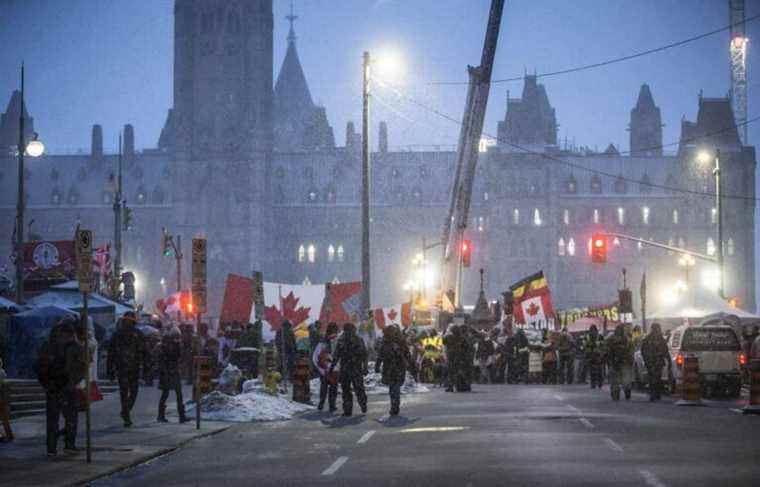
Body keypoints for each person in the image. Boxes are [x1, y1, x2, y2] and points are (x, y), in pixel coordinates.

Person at [38, 320, 85, 456]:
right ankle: (69, 445)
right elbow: (81, 368)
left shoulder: (47, 346)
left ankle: (51, 448)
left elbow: (39, 366)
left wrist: (46, 384)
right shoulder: (75, 347)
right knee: (71, 417)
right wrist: (73, 381)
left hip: (52, 387)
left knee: (52, 419)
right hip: (67, 388)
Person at [108, 311, 146, 427]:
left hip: (134, 367)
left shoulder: (138, 334)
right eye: (127, 320)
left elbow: (144, 352)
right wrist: (110, 370)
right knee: (124, 393)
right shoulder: (117, 335)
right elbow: (111, 353)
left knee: (134, 392)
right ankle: (126, 416)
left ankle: (125, 411)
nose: (129, 322)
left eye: (131, 320)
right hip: (122, 367)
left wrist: (146, 367)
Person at [375, 325, 416, 416]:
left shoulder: (387, 343)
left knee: (393, 388)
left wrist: (377, 366)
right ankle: (395, 405)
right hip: (398, 368)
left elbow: (380, 356)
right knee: (395, 387)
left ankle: (394, 405)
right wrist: (411, 366)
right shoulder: (398, 342)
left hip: (391, 368)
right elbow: (407, 355)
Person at [331, 322, 368, 416]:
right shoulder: (358, 339)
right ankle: (363, 404)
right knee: (359, 388)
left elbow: (336, 355)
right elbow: (364, 355)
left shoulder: (341, 340)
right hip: (356, 368)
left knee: (346, 390)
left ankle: (348, 410)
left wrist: (332, 367)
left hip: (345, 369)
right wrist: (365, 367)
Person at [157, 327, 188, 423]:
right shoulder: (163, 346)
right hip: (167, 372)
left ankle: (181, 416)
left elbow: (180, 356)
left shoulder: (175, 345)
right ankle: (161, 415)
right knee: (167, 394)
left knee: (177, 394)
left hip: (173, 371)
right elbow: (161, 360)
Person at [312, 322, 339, 412]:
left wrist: (320, 369)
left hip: (324, 368)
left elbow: (315, 357)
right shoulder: (336, 340)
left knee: (324, 387)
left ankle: (321, 403)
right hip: (333, 369)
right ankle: (331, 405)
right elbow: (339, 356)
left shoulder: (322, 341)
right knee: (333, 387)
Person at [641, 322, 669, 401]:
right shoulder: (649, 339)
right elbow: (643, 351)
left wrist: (667, 359)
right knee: (654, 378)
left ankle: (655, 393)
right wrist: (646, 360)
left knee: (656, 378)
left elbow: (665, 350)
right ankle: (654, 393)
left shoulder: (659, 339)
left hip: (656, 361)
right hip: (652, 361)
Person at [606, 324, 634, 401]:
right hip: (619, 362)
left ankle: (619, 394)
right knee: (622, 380)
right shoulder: (626, 339)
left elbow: (631, 351)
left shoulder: (626, 339)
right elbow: (607, 351)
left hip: (621, 362)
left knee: (621, 381)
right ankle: (620, 394)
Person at [275, 321, 297, 388]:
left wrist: (279, 348)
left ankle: (279, 378)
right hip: (289, 351)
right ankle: (290, 379)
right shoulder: (290, 332)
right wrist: (294, 349)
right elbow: (293, 342)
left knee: (281, 364)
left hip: (282, 350)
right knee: (290, 365)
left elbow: (277, 341)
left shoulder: (279, 332)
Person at [0, 357, 13, 443]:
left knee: (4, 418)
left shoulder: (1, 372)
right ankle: (9, 435)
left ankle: (8, 435)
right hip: (2, 398)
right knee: (4, 419)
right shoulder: (2, 372)